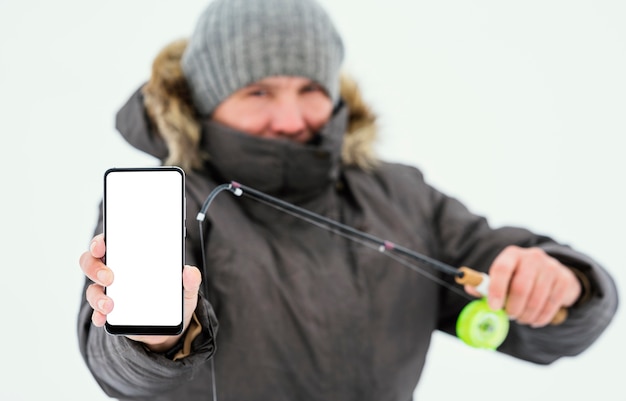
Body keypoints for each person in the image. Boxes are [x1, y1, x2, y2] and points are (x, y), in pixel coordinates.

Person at [77, 0, 618, 400]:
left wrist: (565, 284)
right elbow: (117, 371)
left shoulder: (402, 195)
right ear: (206, 100)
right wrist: (155, 338)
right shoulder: (167, 204)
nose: (291, 121)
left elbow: (547, 325)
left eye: (310, 89)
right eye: (258, 92)